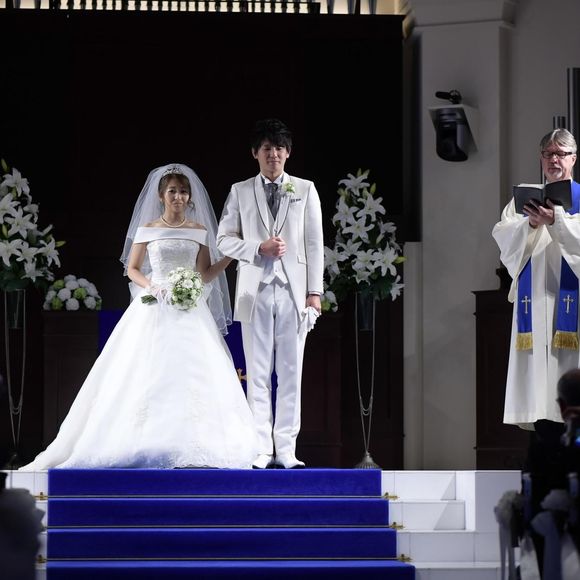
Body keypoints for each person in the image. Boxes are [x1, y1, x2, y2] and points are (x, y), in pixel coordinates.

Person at [20, 163, 257, 470]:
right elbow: (131, 268)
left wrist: (228, 258)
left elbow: (204, 274)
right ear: (161, 195)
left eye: (183, 192)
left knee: (195, 372)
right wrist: (153, 286)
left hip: (189, 307)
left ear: (190, 197)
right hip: (154, 303)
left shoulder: (199, 231)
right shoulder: (148, 229)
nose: (178, 197)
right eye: (172, 191)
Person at [217, 118, 324, 469]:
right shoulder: (240, 190)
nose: (273, 154)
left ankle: (287, 449)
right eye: (267, 148)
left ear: (288, 152)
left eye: (279, 148)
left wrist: (314, 292)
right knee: (258, 372)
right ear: (255, 153)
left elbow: (314, 243)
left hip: (294, 292)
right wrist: (257, 248)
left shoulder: (305, 189)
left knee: (292, 372)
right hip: (254, 291)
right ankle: (262, 447)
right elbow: (223, 240)